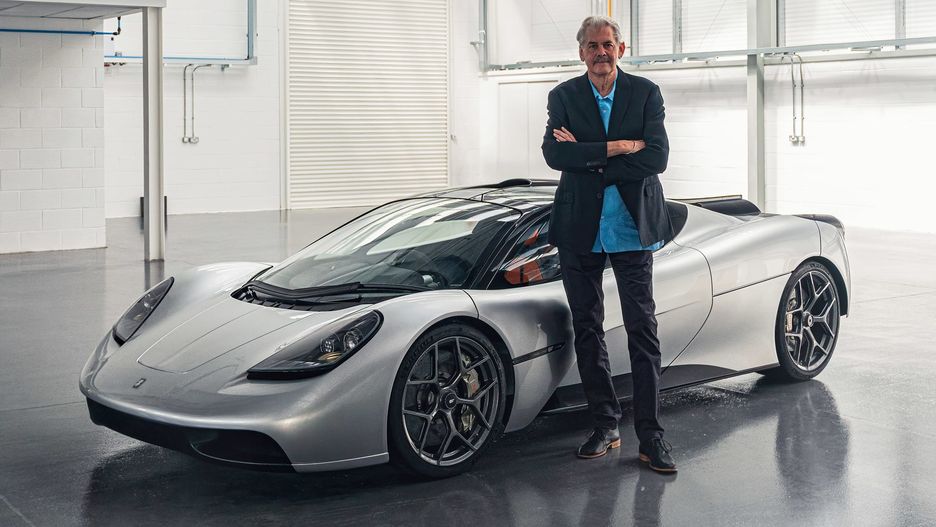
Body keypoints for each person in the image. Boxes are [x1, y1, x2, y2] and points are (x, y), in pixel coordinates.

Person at [541, 15, 676, 473]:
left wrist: (588, 156)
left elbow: (657, 157)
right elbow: (554, 154)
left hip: (630, 228)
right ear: (581, 52)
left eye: (608, 44)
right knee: (587, 327)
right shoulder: (563, 96)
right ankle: (604, 424)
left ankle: (651, 435)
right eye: (592, 45)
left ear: (621, 49)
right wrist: (618, 147)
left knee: (642, 328)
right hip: (579, 229)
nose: (601, 52)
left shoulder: (645, 93)